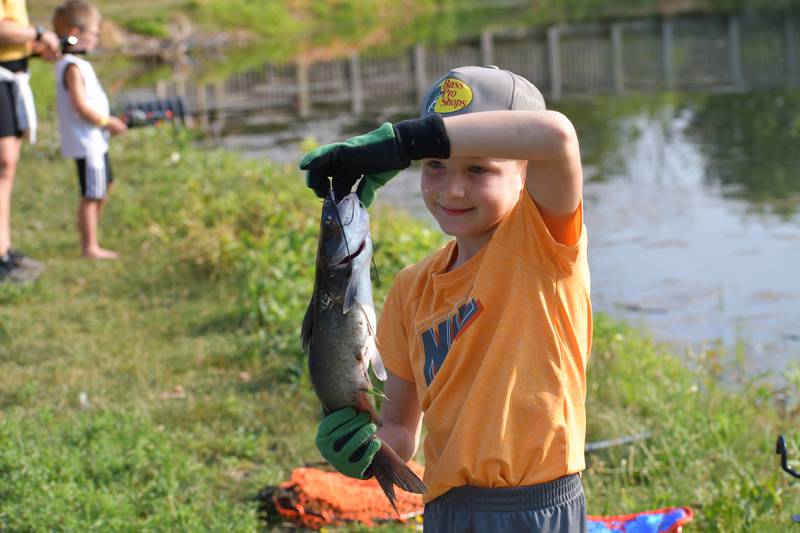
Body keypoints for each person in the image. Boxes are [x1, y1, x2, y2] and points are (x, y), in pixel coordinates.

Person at [301, 65, 590, 532]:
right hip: (447, 510)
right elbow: (400, 427)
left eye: (478, 168)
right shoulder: (411, 289)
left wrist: (406, 141)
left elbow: (557, 135)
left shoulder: (544, 245)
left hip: (536, 509)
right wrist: (365, 446)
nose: (452, 188)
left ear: (526, 174)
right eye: (436, 166)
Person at [53, 0, 126, 260]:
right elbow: (80, 106)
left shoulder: (77, 64)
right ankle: (90, 246)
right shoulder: (71, 67)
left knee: (104, 186)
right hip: (88, 142)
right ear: (75, 33)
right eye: (93, 32)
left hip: (96, 140)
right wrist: (108, 122)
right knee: (92, 193)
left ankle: (92, 236)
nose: (96, 38)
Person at [0, 0, 60, 283]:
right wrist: (37, 33)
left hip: (14, 74)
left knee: (7, 166)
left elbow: (13, 36)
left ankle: (4, 251)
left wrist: (37, 48)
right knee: (3, 163)